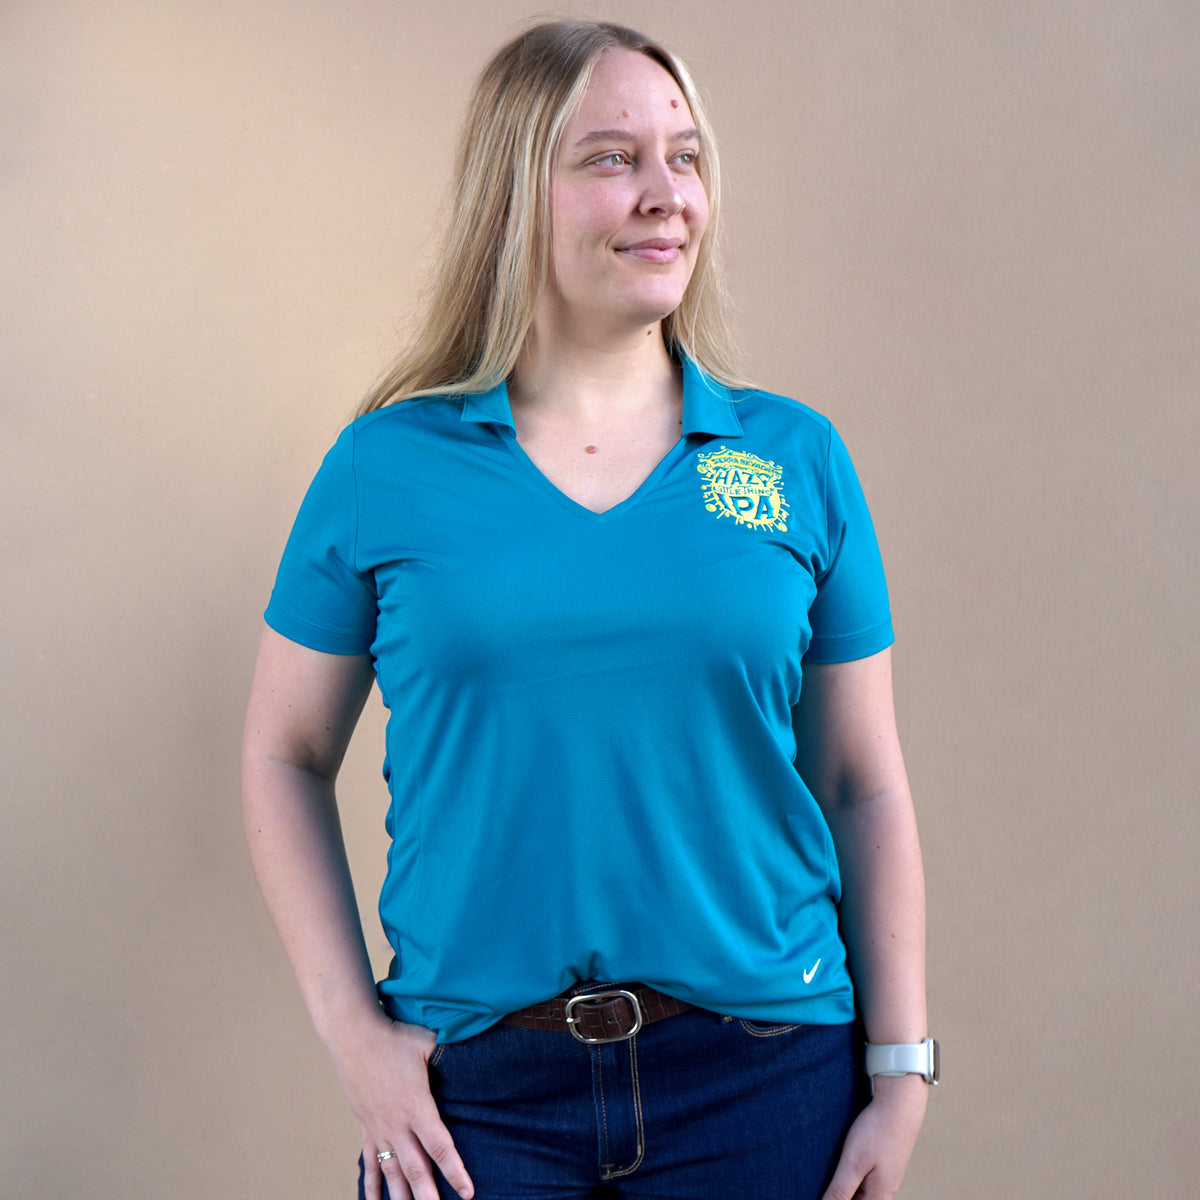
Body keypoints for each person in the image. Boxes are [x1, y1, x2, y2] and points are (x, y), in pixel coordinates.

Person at [241, 18, 932, 1200]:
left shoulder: (795, 458)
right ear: (516, 198)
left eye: (686, 155)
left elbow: (863, 780)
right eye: (613, 157)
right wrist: (354, 1037)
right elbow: (281, 752)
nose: (666, 194)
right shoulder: (384, 466)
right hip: (471, 1105)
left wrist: (901, 1068)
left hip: (766, 1085)